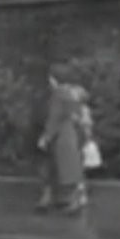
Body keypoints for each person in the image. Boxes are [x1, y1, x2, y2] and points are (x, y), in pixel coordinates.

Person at [37, 64, 87, 215]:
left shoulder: (58, 95)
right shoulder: (72, 93)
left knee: (60, 167)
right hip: (72, 133)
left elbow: (55, 117)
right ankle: (74, 198)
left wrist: (46, 137)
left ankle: (70, 200)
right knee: (71, 168)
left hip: (61, 136)